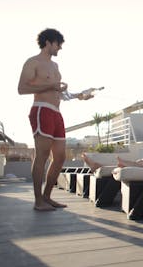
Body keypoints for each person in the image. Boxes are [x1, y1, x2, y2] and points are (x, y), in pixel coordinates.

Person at [18, 28, 93, 211]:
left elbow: (59, 93)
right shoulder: (32, 62)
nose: (60, 48)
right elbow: (21, 89)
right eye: (58, 44)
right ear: (48, 43)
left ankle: (47, 197)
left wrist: (79, 96)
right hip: (41, 111)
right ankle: (38, 202)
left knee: (59, 157)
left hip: (57, 113)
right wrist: (50, 85)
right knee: (42, 156)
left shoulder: (55, 67)